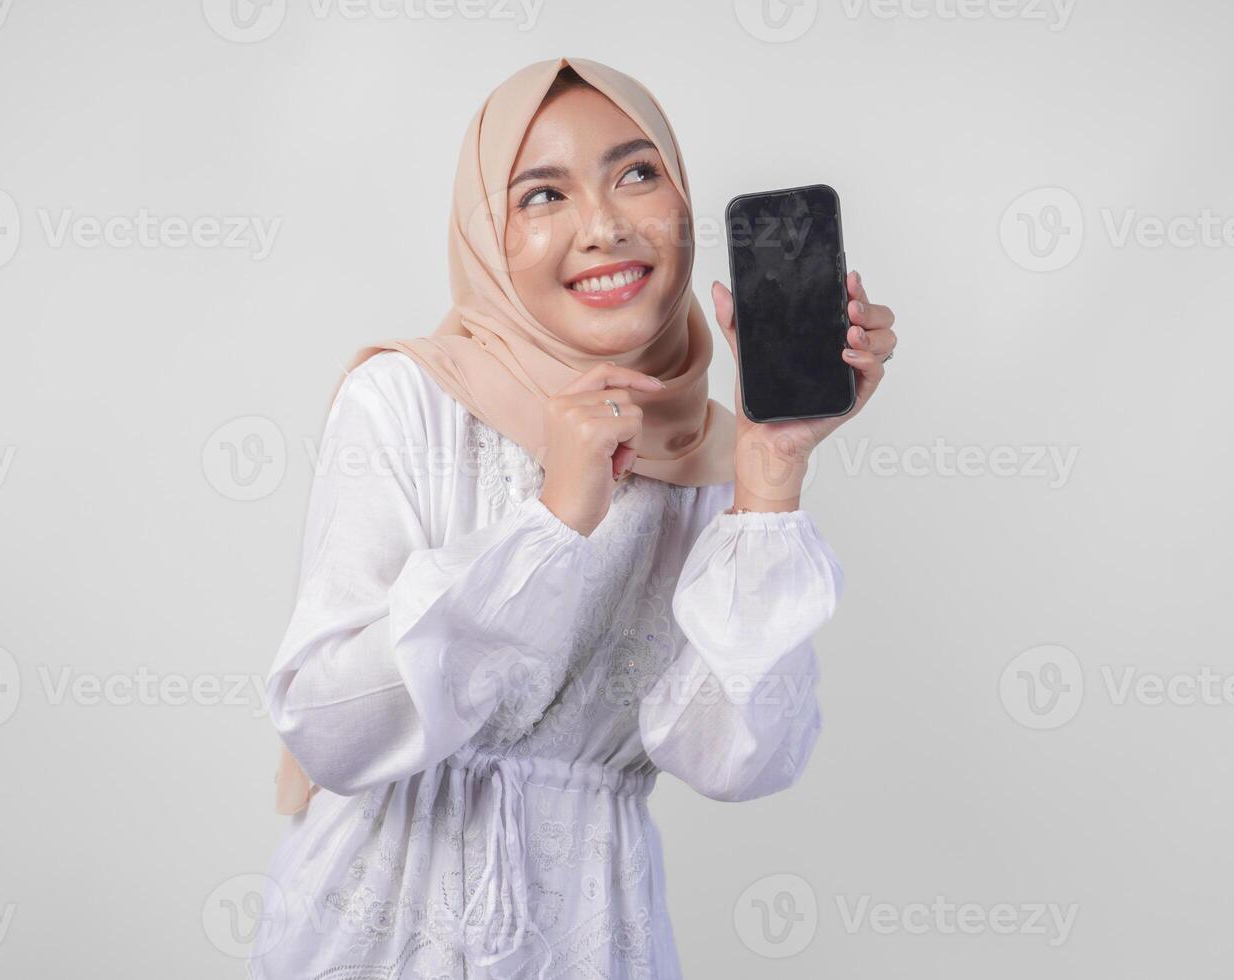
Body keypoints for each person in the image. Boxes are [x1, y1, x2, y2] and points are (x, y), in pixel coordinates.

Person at [250, 55, 898, 980]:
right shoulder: (405, 400)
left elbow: (737, 761)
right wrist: (553, 518)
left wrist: (769, 477)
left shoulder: (716, 459)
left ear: (682, 207)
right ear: (486, 235)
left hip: (595, 934)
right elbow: (329, 724)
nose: (602, 228)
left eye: (638, 173)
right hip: (377, 926)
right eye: (541, 195)